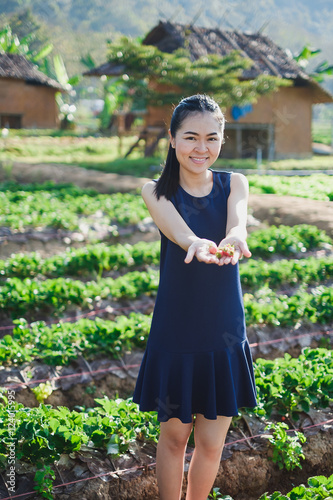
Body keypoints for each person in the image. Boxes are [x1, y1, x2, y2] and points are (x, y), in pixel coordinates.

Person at [132, 94, 257, 500]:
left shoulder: (234, 182)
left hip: (223, 329)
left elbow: (237, 219)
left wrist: (236, 235)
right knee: (172, 439)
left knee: (212, 444)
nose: (201, 148)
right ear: (171, 139)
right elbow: (177, 230)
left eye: (211, 137)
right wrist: (196, 243)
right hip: (177, 330)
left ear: (222, 139)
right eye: (190, 137)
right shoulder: (155, 190)